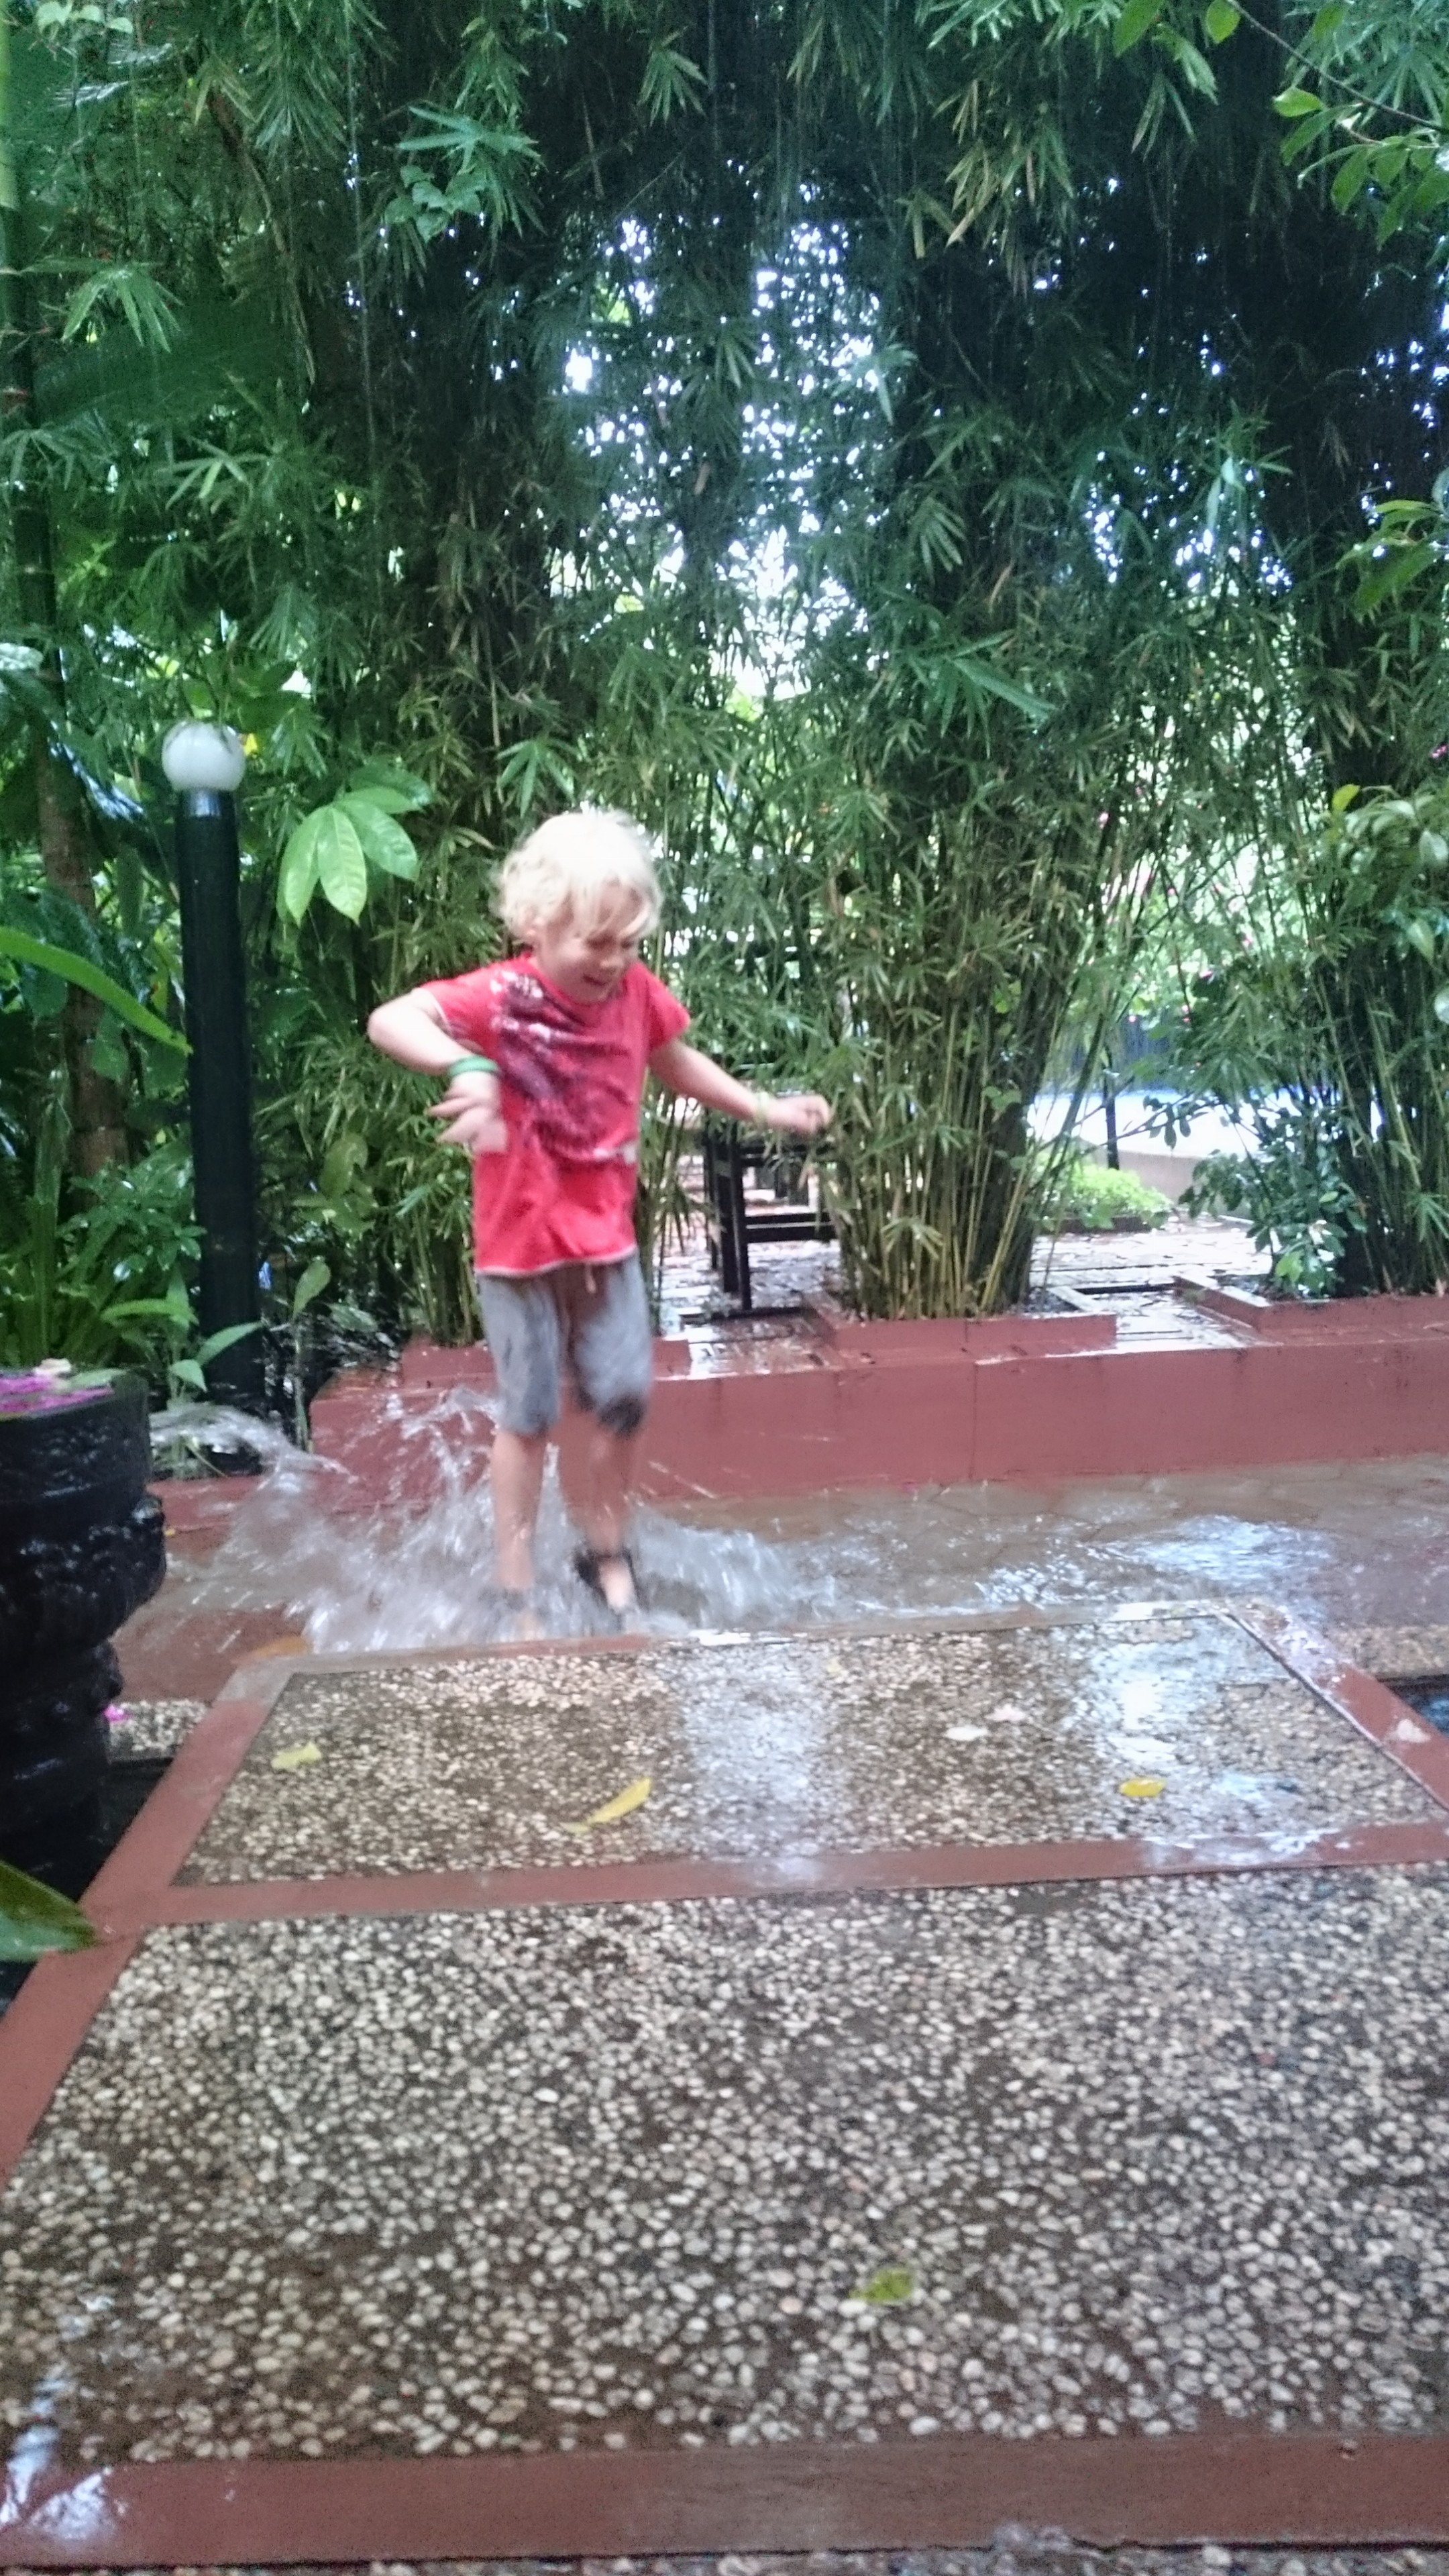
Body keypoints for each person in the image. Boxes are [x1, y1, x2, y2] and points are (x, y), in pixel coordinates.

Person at [366, 807, 831, 1625]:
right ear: (537, 924)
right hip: (519, 1251)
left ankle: (605, 1549)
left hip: (605, 1243)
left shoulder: (635, 992)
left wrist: (764, 1106)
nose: (614, 961)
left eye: (629, 943)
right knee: (529, 1417)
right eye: (596, 942)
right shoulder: (501, 995)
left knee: (623, 1398)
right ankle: (513, 1580)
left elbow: (677, 1062)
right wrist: (466, 1065)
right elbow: (390, 1020)